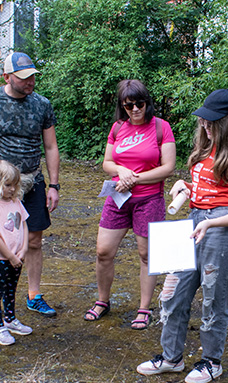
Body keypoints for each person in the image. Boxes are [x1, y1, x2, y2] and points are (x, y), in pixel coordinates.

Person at [136, 89, 228, 383]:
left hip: (221, 231)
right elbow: (204, 187)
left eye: (211, 122)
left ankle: (211, 362)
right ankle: (171, 358)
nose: (204, 126)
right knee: (173, 293)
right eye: (203, 121)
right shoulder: (204, 151)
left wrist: (211, 223)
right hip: (193, 223)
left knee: (214, 298)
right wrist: (185, 185)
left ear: (227, 123)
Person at [0, 52, 61, 320]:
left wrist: (54, 185)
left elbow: (50, 146)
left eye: (32, 76)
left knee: (34, 239)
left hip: (31, 182)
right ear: (6, 77)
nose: (30, 82)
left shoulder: (42, 105)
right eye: (23, 77)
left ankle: (34, 295)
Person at [83, 79, 176, 329]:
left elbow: (168, 167)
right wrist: (122, 170)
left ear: (148, 102)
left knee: (147, 255)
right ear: (122, 106)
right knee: (103, 251)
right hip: (118, 196)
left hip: (149, 199)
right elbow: (107, 163)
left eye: (140, 104)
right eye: (129, 105)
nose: (135, 109)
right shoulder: (117, 128)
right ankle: (103, 300)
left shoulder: (161, 127)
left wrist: (133, 179)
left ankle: (144, 307)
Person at [0, 160, 33, 346]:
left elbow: (25, 225)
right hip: (0, 258)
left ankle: (10, 320)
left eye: (15, 185)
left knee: (11, 290)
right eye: (8, 185)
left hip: (17, 257)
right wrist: (10, 256)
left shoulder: (16, 203)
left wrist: (23, 249)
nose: (12, 189)